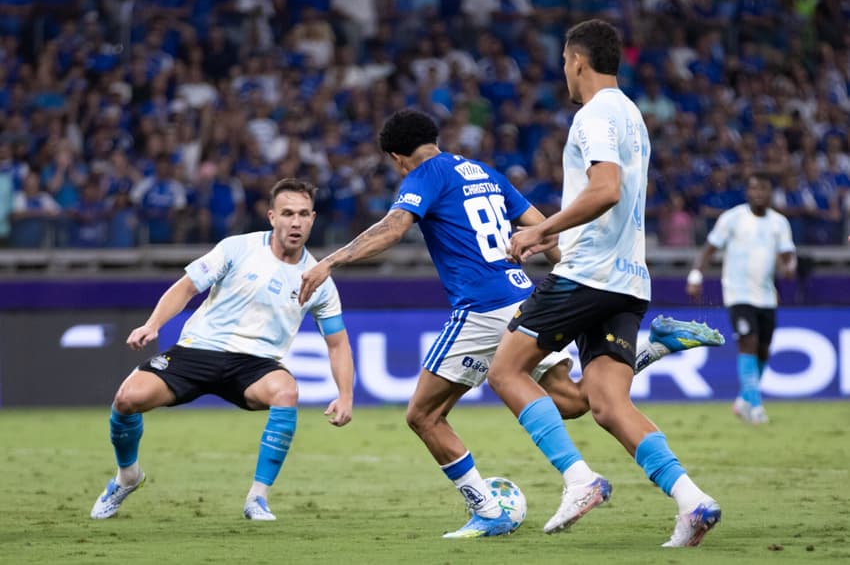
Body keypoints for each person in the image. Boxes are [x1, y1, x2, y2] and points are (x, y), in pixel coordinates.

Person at [298, 107, 723, 538]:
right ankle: (654, 348)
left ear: (396, 156)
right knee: (576, 401)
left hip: (480, 309)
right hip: (523, 298)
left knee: (423, 415)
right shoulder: (483, 172)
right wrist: (566, 284)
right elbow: (544, 230)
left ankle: (489, 507)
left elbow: (392, 229)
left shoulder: (423, 174)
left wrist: (329, 262)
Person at [487, 19, 721, 547]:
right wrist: (558, 237)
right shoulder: (632, 115)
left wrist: (540, 230)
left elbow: (606, 190)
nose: (563, 76)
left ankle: (579, 479)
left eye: (564, 66)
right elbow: (608, 201)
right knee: (607, 405)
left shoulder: (593, 115)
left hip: (588, 276)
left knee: (504, 371)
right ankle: (693, 501)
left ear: (576, 60)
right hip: (628, 278)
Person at [90, 178, 354, 521]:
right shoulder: (237, 248)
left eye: (303, 214)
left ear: (313, 219)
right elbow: (185, 288)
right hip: (198, 350)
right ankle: (128, 477)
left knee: (286, 392)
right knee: (127, 399)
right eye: (288, 213)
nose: (296, 222)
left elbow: (338, 343)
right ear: (272, 217)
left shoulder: (318, 279)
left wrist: (345, 395)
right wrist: (153, 324)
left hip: (255, 366)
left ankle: (257, 499)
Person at [687, 175, 796, 424]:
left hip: (767, 295)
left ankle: (744, 399)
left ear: (771, 192)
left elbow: (788, 253)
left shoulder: (780, 223)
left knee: (763, 350)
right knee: (748, 342)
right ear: (747, 192)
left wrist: (790, 266)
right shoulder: (732, 218)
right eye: (753, 188)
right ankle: (756, 407)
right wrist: (695, 276)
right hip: (738, 293)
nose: (758, 193)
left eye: (763, 188)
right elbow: (709, 249)